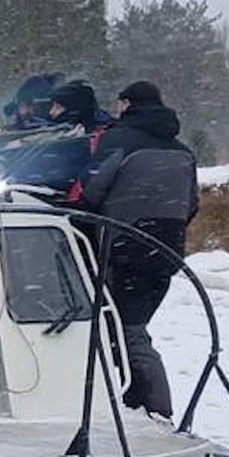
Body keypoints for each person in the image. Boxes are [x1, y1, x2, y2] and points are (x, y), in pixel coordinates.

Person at [75, 80, 197, 418]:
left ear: (127, 104)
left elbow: (91, 188)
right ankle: (138, 403)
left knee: (126, 332)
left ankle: (153, 409)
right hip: (165, 252)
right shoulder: (182, 151)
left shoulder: (118, 140)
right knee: (133, 328)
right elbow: (191, 205)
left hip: (121, 248)